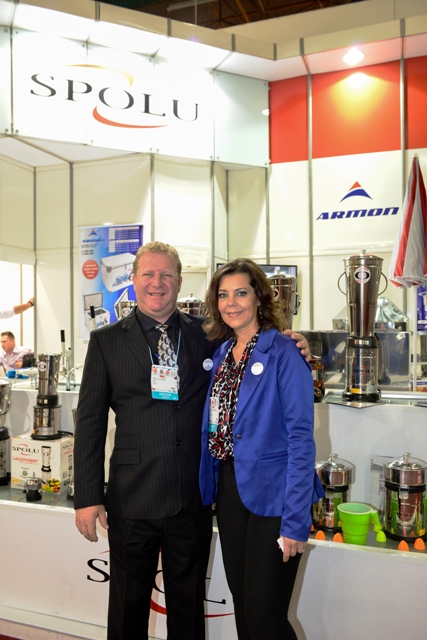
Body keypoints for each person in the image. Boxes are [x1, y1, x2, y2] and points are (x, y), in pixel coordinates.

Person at [73, 242, 311, 640]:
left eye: (166, 275)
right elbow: (91, 423)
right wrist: (87, 495)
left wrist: (294, 342)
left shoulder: (209, 336)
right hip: (133, 499)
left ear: (180, 281)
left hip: (191, 499)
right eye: (148, 274)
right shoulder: (106, 341)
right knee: (127, 611)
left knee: (188, 612)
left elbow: (258, 348)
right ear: (133, 281)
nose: (157, 283)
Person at [199, 258, 324, 640]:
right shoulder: (222, 354)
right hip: (231, 490)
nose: (231, 303)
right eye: (223, 295)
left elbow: (301, 438)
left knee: (265, 617)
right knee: (244, 610)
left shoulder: (284, 351)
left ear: (259, 298)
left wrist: (296, 520)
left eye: (241, 293)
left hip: (276, 494)